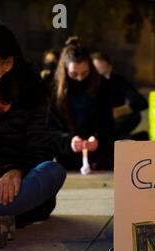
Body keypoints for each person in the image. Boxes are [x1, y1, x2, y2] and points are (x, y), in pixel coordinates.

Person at [0, 24, 66, 248]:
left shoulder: (31, 95)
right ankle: (2, 220)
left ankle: (1, 215)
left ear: (7, 64)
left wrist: (16, 170)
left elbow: (40, 149)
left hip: (16, 186)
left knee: (53, 171)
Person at [49, 37, 115, 170]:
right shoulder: (53, 89)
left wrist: (98, 139)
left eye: (84, 74)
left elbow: (108, 124)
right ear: (65, 71)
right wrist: (68, 141)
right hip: (64, 160)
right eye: (74, 74)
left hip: (98, 159)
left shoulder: (102, 86)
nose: (79, 79)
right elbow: (49, 128)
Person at [92, 52, 148, 140]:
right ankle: (132, 138)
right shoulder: (88, 84)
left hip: (114, 121)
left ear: (110, 68)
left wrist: (117, 111)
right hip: (94, 122)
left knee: (135, 116)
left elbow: (141, 102)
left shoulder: (118, 81)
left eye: (103, 74)